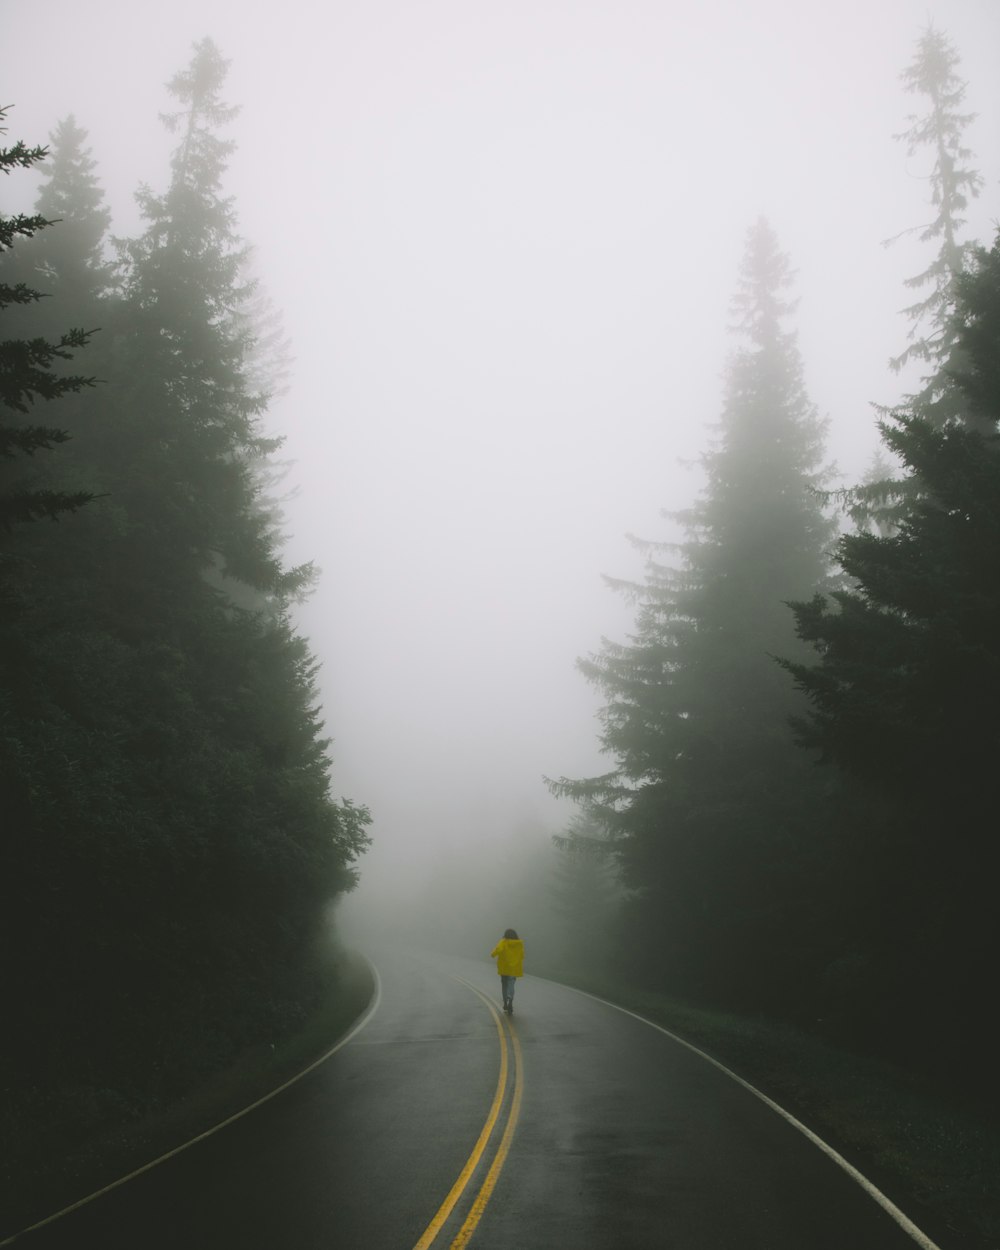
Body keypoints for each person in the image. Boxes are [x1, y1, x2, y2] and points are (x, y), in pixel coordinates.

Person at [490, 928, 524, 1015]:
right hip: (513, 968)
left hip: (504, 968)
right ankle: (510, 998)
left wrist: (493, 954)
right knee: (511, 984)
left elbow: (498, 949)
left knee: (504, 985)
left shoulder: (503, 941)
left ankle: (505, 1003)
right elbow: (522, 955)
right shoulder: (519, 944)